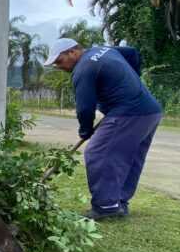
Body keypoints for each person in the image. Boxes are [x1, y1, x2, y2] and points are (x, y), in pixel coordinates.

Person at [42, 38, 163, 220]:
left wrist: (85, 130)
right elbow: (132, 53)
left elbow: (85, 107)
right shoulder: (104, 50)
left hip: (127, 113)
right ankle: (119, 202)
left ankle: (106, 206)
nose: (59, 67)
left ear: (73, 52)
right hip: (150, 111)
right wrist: (132, 81)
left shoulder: (83, 69)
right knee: (130, 157)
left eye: (59, 61)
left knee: (97, 152)